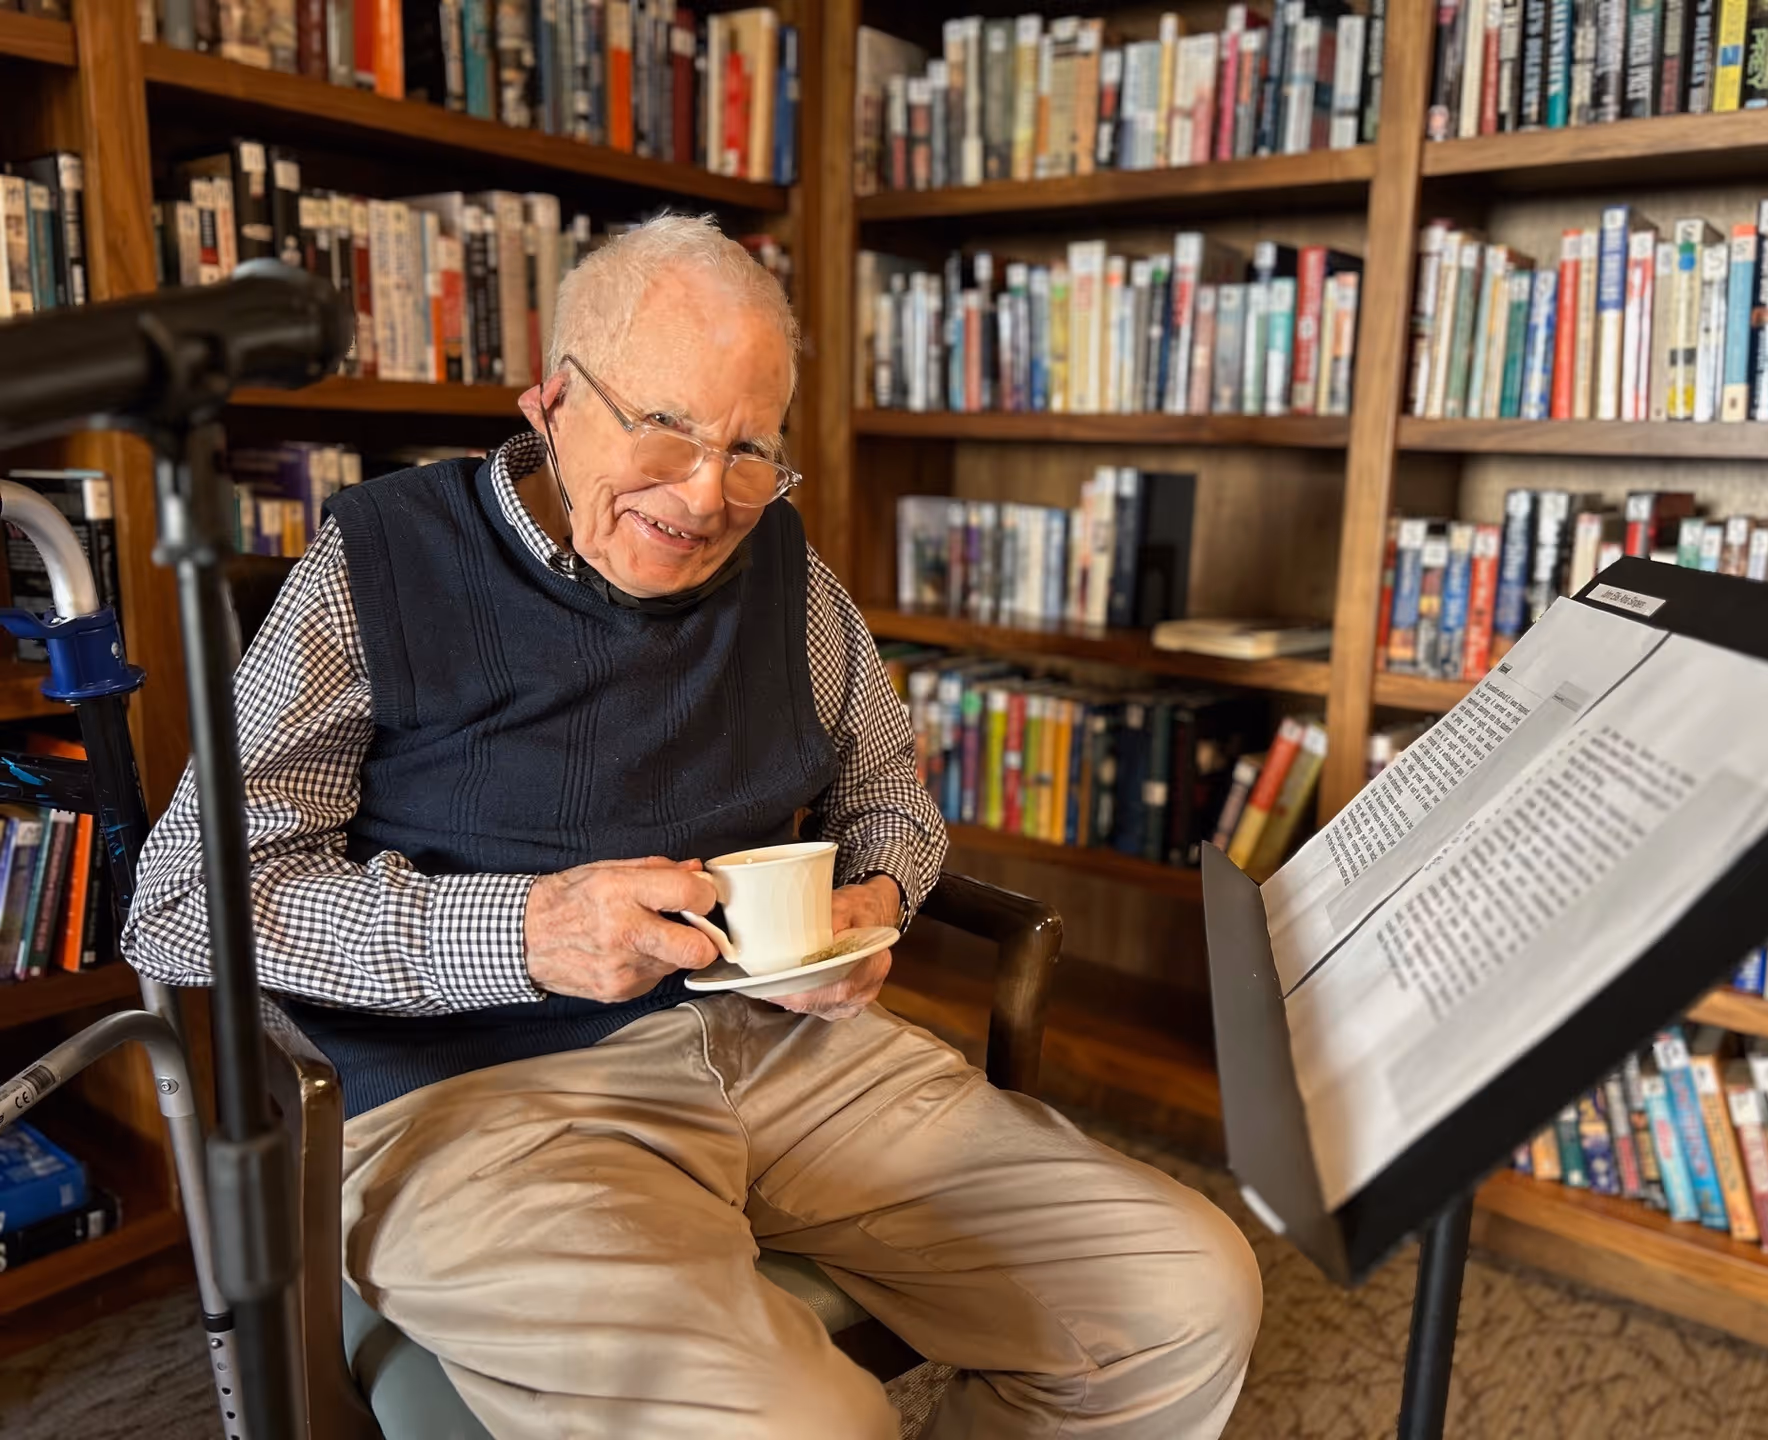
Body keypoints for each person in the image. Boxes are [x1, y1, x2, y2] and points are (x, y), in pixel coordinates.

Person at [123, 213, 1261, 1439]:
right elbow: (187, 901)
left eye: (751, 451)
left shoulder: (785, 567)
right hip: (482, 1100)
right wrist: (522, 932)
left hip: (784, 1048)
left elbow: (887, 787)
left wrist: (876, 897)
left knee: (1183, 1294)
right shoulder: (378, 564)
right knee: (804, 1423)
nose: (709, 497)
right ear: (552, 401)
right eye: (666, 434)